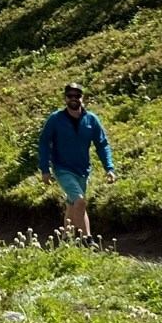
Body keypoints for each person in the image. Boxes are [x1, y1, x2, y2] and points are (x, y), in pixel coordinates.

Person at [38, 82, 114, 238]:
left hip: (83, 170)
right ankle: (87, 239)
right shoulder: (55, 119)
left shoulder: (91, 120)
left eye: (77, 96)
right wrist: (45, 169)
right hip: (62, 169)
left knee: (73, 206)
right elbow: (44, 143)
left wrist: (109, 168)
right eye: (70, 96)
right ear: (65, 99)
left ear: (82, 97)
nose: (73, 99)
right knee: (80, 201)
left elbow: (102, 144)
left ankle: (66, 238)